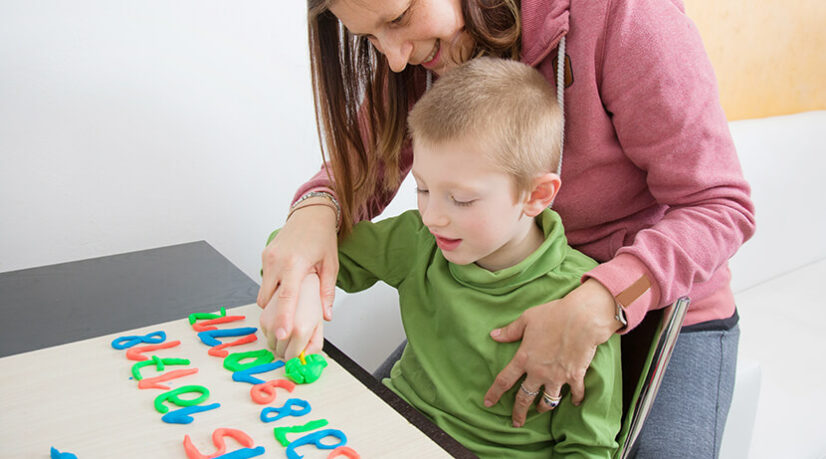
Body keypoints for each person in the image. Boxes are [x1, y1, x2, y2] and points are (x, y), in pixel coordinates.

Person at [258, 0, 755, 456]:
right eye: (368, 37)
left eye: (398, 18)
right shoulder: (416, 50)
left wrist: (603, 300)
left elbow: (722, 205)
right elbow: (360, 170)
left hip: (662, 305)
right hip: (497, 290)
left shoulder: (626, 17)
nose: (392, 57)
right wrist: (314, 213)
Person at [261, 57, 622, 457]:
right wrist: (308, 284)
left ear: (535, 196)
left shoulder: (579, 302)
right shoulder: (419, 239)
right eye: (422, 189)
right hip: (387, 433)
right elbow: (292, 249)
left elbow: (589, 449)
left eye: (462, 199)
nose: (432, 216)